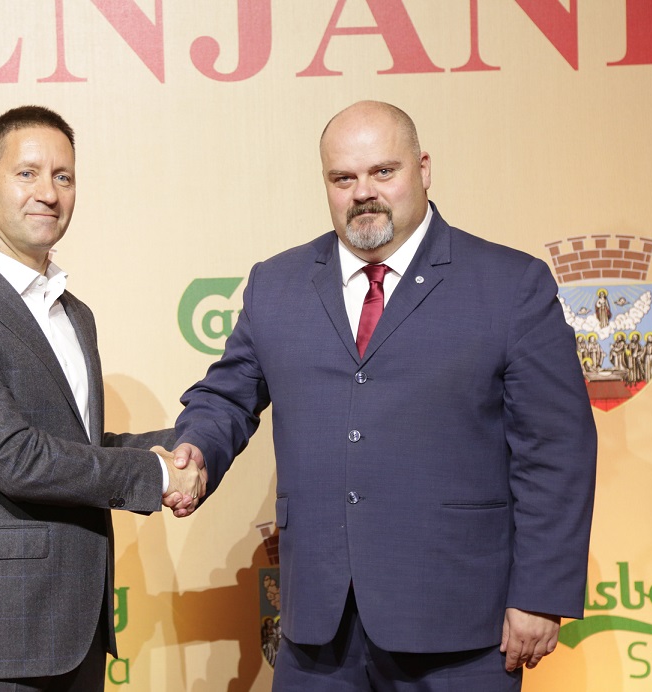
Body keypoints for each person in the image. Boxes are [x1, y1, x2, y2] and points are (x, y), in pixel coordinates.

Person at [168, 101, 597, 691]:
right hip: (317, 630)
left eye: (383, 172)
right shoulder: (276, 284)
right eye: (343, 178)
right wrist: (196, 447)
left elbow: (556, 449)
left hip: (460, 626)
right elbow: (227, 397)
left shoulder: (509, 285)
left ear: (424, 169)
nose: (363, 193)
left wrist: (540, 594)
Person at [0, 105, 202, 691]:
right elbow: (16, 457)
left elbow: (72, 446)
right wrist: (159, 474)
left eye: (63, 177)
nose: (48, 193)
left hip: (75, 631)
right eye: (27, 173)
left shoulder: (73, 313)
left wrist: (191, 442)